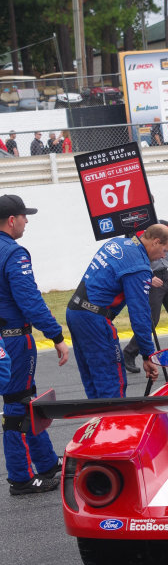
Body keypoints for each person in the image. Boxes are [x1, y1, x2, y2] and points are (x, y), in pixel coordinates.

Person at [0, 194, 69, 495]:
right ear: (12, 220)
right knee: (17, 406)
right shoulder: (14, 253)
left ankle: (46, 463)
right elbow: (29, 300)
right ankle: (21, 478)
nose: (27, 222)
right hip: (13, 338)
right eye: (24, 217)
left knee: (26, 400)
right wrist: (55, 335)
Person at [66, 224, 168, 399]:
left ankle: (96, 421)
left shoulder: (117, 242)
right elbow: (140, 314)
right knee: (112, 384)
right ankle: (112, 423)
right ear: (155, 242)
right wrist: (148, 354)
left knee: (93, 381)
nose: (163, 256)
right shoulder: (139, 266)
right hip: (94, 319)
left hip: (74, 312)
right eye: (164, 250)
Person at [123, 220, 168, 373]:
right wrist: (147, 276)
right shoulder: (134, 232)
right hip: (150, 278)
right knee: (151, 320)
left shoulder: (162, 226)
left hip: (166, 276)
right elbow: (130, 259)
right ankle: (129, 353)